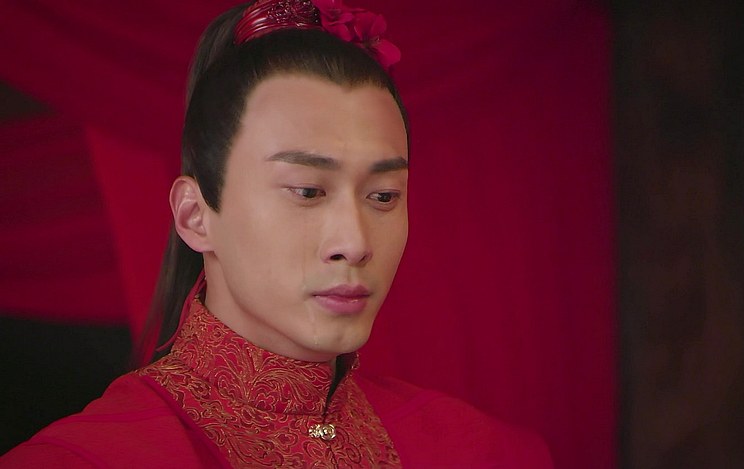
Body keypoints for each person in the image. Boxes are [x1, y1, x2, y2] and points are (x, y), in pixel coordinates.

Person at [1, 0, 553, 467]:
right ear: (195, 215)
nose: (355, 243)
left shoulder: (479, 450)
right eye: (308, 191)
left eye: (383, 196)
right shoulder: (87, 458)